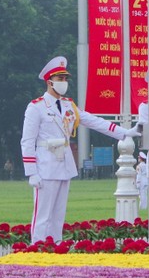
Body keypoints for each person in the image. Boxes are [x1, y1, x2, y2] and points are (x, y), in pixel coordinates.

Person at [21, 56, 140, 244]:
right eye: (60, 79)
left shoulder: (69, 105)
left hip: (64, 164)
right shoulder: (36, 107)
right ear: (49, 81)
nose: (64, 83)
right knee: (43, 215)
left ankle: (56, 248)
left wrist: (124, 133)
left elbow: (94, 121)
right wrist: (31, 172)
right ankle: (38, 248)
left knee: (58, 215)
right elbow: (27, 141)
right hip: (45, 165)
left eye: (65, 79)